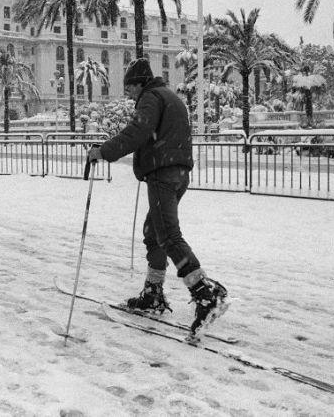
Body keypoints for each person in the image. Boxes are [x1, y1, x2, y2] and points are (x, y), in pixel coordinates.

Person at [86, 58, 228, 341]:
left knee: (168, 235)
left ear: (139, 84)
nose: (129, 95)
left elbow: (136, 132)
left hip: (163, 173)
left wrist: (104, 151)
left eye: (129, 89)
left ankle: (204, 293)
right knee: (154, 232)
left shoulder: (150, 98)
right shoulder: (170, 97)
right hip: (177, 171)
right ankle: (153, 293)